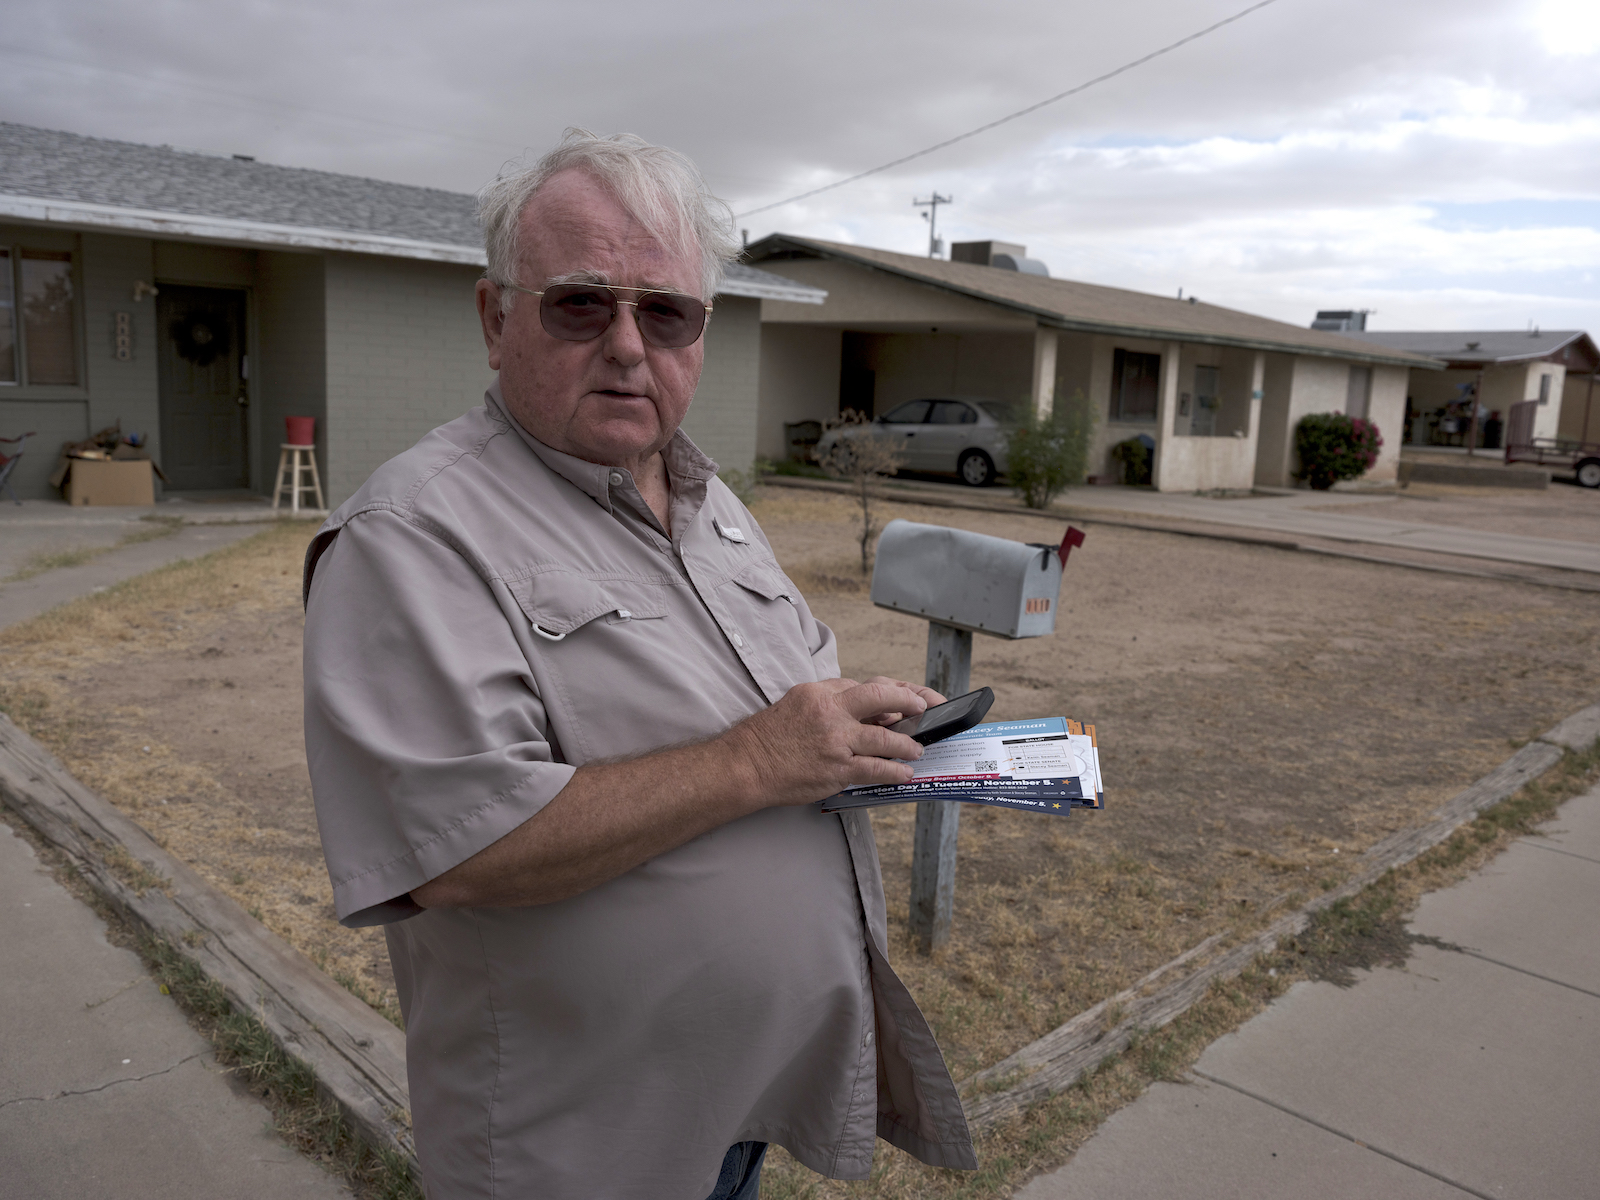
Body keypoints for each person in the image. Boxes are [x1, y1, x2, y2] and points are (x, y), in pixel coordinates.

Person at [302, 129, 976, 1200]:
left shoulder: (712, 506)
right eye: (581, 304)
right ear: (494, 318)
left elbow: (770, 714)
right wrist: (762, 756)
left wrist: (854, 733)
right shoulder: (411, 535)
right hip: (585, 1147)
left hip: (743, 1103)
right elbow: (453, 851)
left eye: (665, 313)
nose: (627, 345)